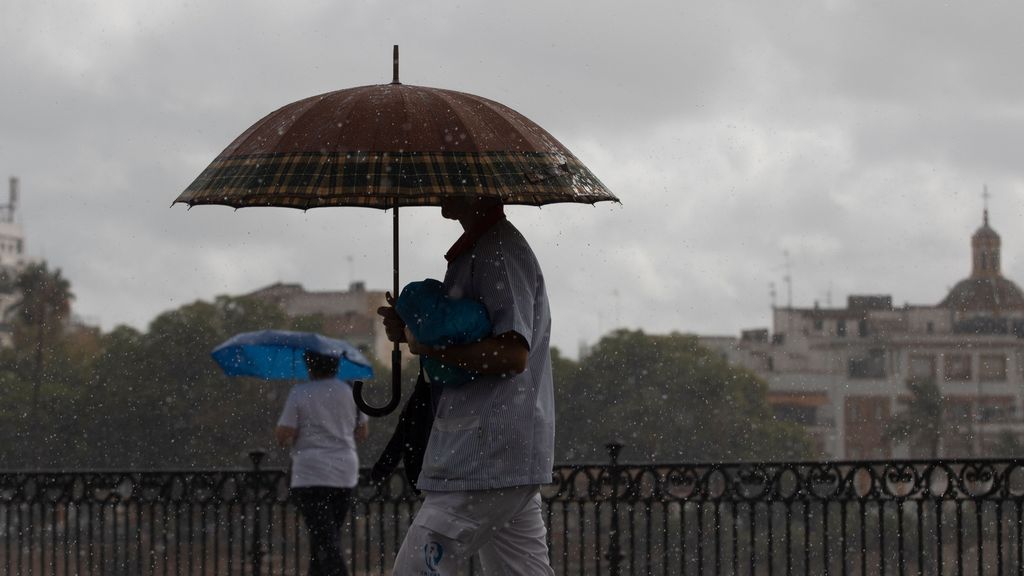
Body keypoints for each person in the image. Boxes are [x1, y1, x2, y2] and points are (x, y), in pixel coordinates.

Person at [378, 196, 556, 576]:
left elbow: (512, 356)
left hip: (484, 455)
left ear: (478, 187)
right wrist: (410, 329)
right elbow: (469, 336)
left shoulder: (498, 251)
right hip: (496, 454)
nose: (440, 189)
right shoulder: (480, 250)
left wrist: (425, 343)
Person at [276, 351, 369, 576]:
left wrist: (300, 435)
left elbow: (284, 434)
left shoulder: (300, 392)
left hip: (311, 474)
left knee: (325, 541)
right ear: (337, 366)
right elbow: (362, 432)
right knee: (327, 538)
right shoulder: (349, 391)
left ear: (309, 366)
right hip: (344, 472)